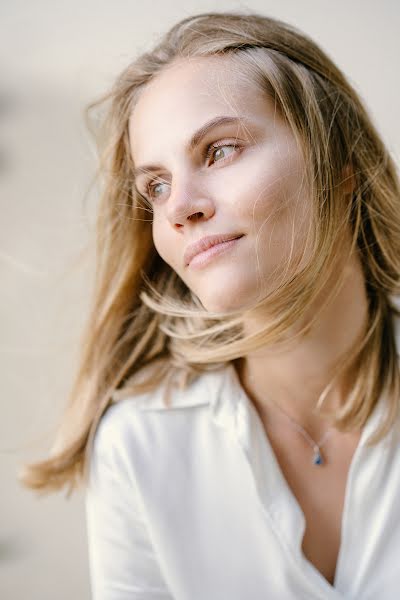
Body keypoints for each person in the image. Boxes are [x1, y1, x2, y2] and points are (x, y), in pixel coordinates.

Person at [19, 10, 400, 599]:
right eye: (157, 185)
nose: (179, 208)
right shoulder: (140, 446)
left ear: (341, 163)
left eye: (220, 151)